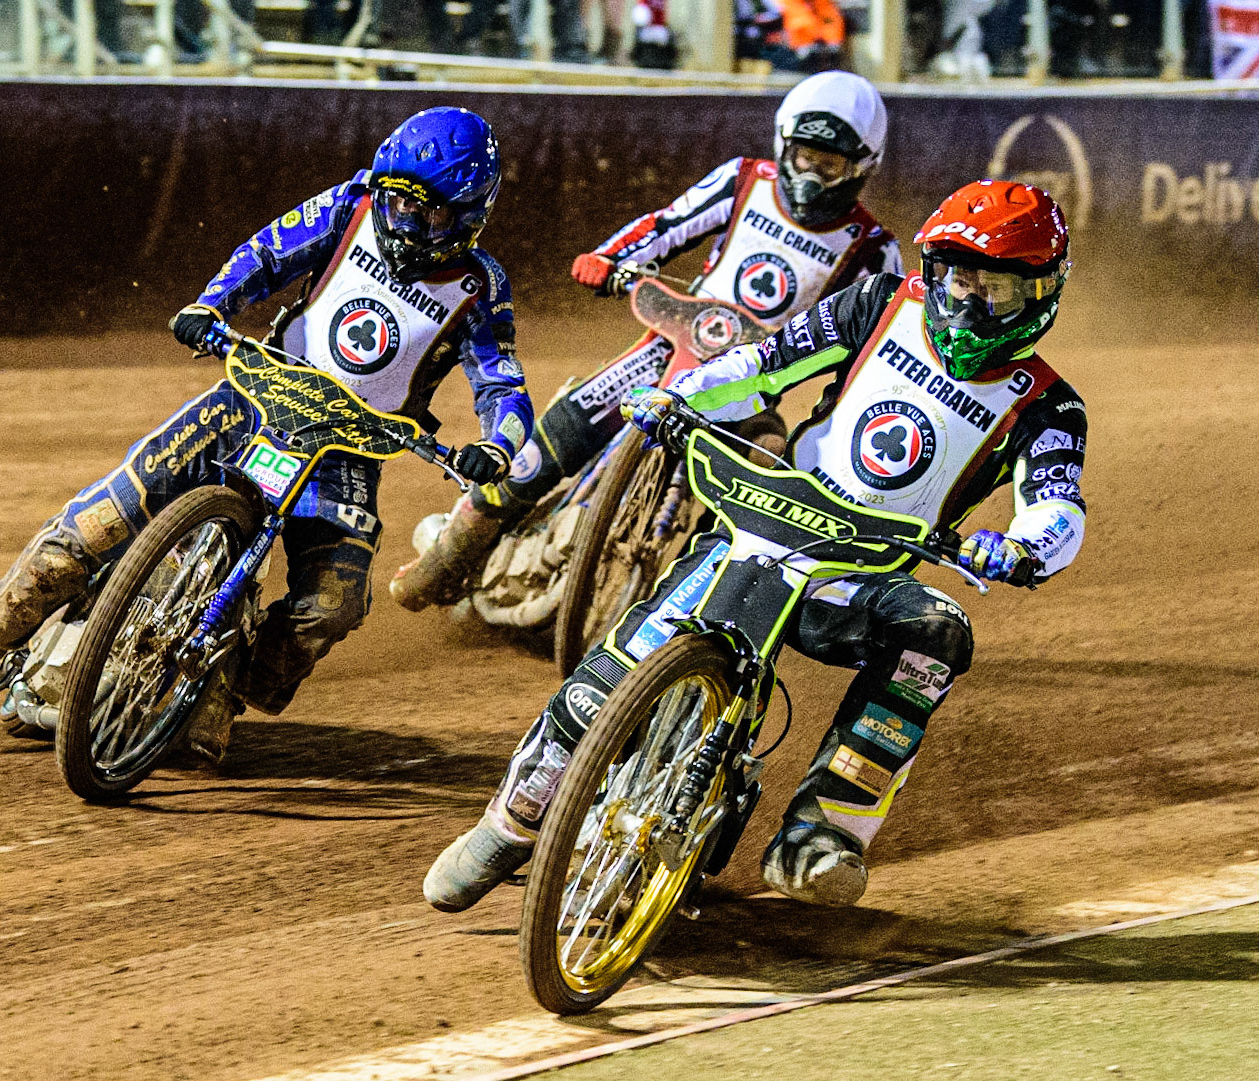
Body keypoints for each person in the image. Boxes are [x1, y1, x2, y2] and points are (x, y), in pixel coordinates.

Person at [424, 179, 1087, 912]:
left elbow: (1056, 501)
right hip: (764, 520)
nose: (965, 303)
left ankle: (822, 828)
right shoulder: (876, 305)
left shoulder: (1048, 404)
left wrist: (1023, 548)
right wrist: (682, 394)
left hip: (858, 579)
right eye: (956, 279)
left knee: (937, 630)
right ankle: (510, 821)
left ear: (1040, 293)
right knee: (610, 674)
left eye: (992, 289)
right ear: (931, 270)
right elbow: (764, 362)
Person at [0, 107, 534, 759]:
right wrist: (212, 304)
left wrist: (495, 445)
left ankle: (228, 684)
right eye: (398, 203)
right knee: (95, 525)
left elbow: (503, 383)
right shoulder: (351, 205)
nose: (405, 222)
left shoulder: (479, 286)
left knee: (334, 603)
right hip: (253, 397)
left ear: (470, 215)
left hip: (347, 450)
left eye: (428, 213)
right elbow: (266, 253)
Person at [391, 71, 903, 613]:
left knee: (768, 479)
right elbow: (666, 225)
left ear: (862, 167)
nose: (813, 177)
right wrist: (611, 259)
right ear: (783, 142)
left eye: (831, 165)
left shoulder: (874, 250)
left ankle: (703, 609)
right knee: (553, 435)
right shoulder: (744, 181)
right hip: (668, 347)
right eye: (805, 156)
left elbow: (868, 357)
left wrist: (835, 414)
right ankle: (444, 561)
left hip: (752, 390)